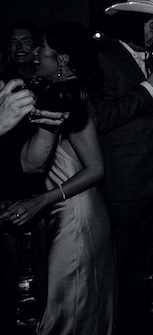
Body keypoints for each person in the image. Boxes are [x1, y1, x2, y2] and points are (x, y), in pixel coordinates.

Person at [0, 22, 115, 334]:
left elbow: (96, 169)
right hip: (59, 210)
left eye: (43, 48)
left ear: (62, 59)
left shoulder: (75, 97)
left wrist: (42, 200)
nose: (36, 53)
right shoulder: (50, 94)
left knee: (69, 311)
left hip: (76, 213)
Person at [93, 0, 153, 335]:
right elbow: (102, 117)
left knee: (138, 270)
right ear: (134, 21)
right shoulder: (104, 57)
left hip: (149, 183)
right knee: (118, 269)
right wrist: (150, 86)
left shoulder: (144, 57)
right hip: (122, 185)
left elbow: (139, 116)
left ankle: (132, 324)